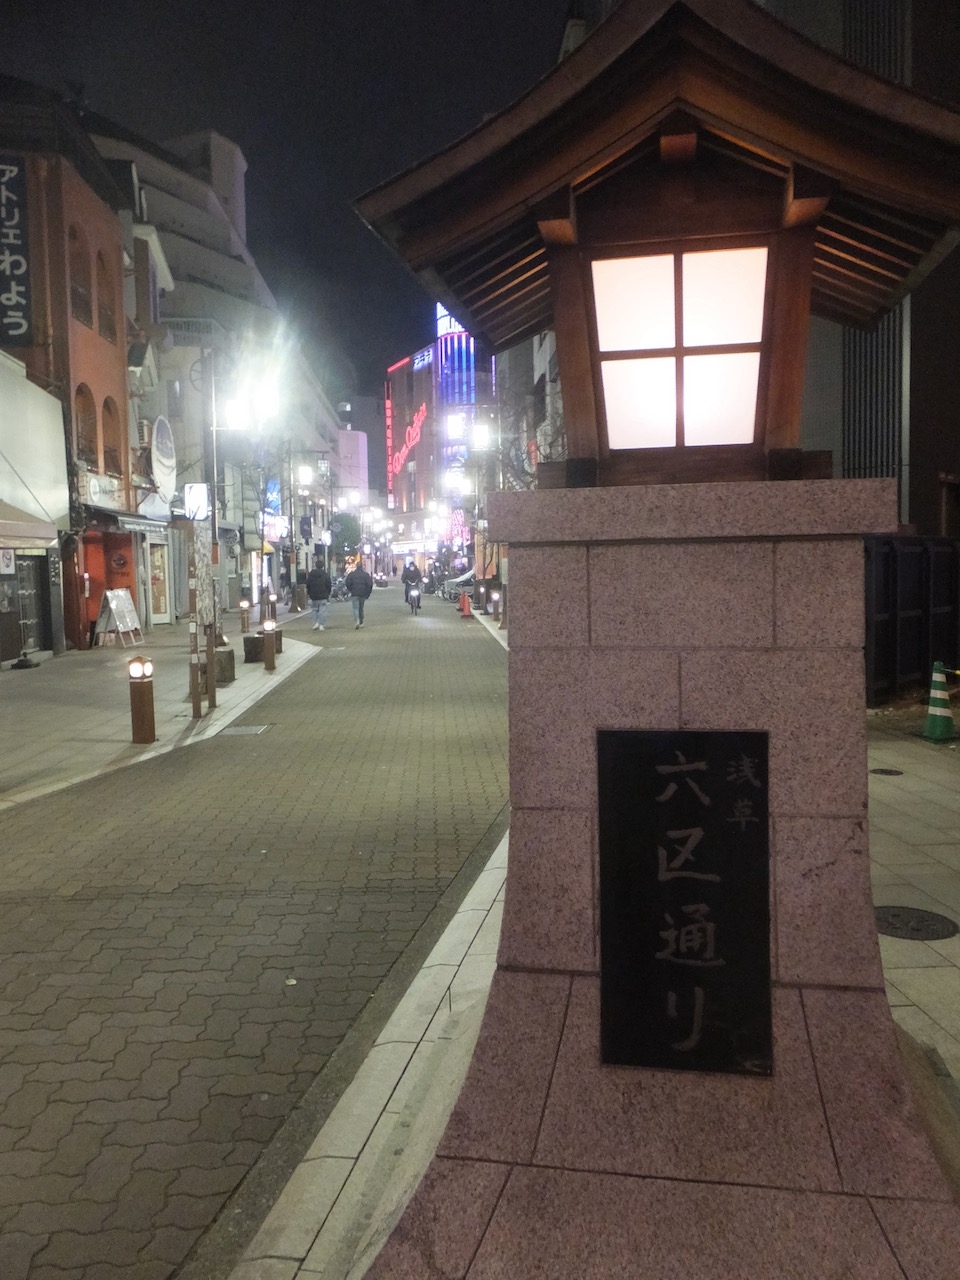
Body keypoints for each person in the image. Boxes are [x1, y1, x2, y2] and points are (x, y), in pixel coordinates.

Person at [345, 560, 373, 629]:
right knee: (361, 608)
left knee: (355, 608)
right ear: (362, 567)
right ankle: (361, 622)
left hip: (354, 593)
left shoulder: (352, 574)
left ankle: (356, 621)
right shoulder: (366, 575)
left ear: (356, 567)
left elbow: (347, 583)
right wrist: (367, 593)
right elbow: (369, 585)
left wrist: (351, 590)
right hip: (363, 594)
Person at [305, 559, 331, 630]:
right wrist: (328, 593)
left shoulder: (311, 575)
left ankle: (316, 623)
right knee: (323, 610)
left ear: (315, 566)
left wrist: (309, 593)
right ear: (323, 566)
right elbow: (329, 585)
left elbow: (308, 585)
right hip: (323, 596)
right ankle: (321, 624)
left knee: (314, 610)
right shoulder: (325, 575)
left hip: (313, 596)